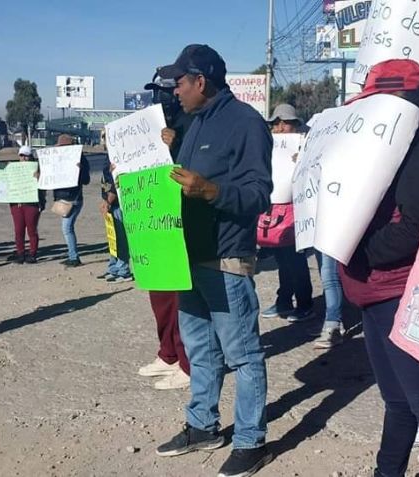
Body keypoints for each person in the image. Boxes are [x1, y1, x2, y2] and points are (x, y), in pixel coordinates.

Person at [338, 60, 419, 477]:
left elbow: (415, 229)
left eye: (377, 102)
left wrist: (352, 250)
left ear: (405, 102)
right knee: (399, 403)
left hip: (405, 293)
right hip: (380, 293)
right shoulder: (403, 144)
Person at [153, 44, 274, 477]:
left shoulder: (247, 124)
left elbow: (260, 193)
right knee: (201, 350)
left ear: (201, 80)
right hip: (187, 257)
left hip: (225, 257)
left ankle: (251, 441)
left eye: (179, 83)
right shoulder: (190, 123)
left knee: (243, 354)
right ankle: (203, 424)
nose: (175, 91)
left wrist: (212, 192)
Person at [135, 75, 195, 391]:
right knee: (159, 294)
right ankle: (168, 353)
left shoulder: (192, 121)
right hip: (151, 217)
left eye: (167, 91)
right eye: (156, 92)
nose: (162, 97)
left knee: (181, 297)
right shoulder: (146, 125)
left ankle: (188, 362)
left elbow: (200, 167)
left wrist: (179, 145)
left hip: (181, 220)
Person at [259, 103, 314, 323]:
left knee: (295, 259)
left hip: (297, 209)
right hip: (276, 207)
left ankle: (304, 303)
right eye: (276, 123)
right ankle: (284, 301)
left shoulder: (306, 145)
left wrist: (302, 160)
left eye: (285, 123)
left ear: (295, 125)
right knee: (283, 258)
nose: (280, 128)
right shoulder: (270, 145)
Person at [97, 138, 133, 282]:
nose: (104, 141)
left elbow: (116, 181)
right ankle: (113, 267)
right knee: (113, 238)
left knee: (121, 238)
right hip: (109, 202)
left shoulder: (120, 155)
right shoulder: (108, 156)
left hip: (117, 203)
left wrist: (108, 201)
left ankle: (123, 270)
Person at [53, 134, 90, 268]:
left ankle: (74, 257)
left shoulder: (81, 160)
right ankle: (72, 255)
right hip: (64, 198)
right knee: (67, 228)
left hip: (73, 199)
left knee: (67, 228)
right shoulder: (57, 159)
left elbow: (86, 180)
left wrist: (80, 170)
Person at [7, 145, 45, 264]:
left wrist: (39, 178)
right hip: (16, 203)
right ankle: (20, 253)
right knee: (18, 230)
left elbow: (43, 186)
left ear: (31, 157)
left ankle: (32, 253)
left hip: (32, 203)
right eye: (22, 155)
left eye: (26, 156)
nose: (24, 158)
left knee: (32, 229)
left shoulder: (37, 169)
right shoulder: (13, 168)